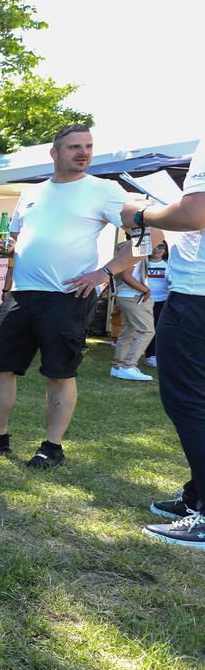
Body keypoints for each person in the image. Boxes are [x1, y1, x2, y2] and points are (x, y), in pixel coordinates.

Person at [0, 124, 128, 468]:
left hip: (68, 296)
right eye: (74, 147)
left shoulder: (104, 190)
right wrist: (9, 247)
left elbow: (145, 235)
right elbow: (19, 239)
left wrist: (104, 272)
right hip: (21, 295)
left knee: (59, 372)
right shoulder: (32, 192)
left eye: (88, 146)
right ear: (55, 153)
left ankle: (52, 447)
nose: (83, 152)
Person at [114, 139, 205, 547]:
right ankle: (196, 494)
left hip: (198, 295)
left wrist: (140, 213)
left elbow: (196, 212)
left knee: (188, 402)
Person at [110, 242, 155, 381]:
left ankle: (117, 367)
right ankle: (128, 366)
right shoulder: (137, 249)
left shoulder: (126, 248)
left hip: (126, 296)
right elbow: (126, 275)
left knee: (128, 332)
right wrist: (145, 289)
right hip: (134, 297)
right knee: (147, 331)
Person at [143, 240, 169, 367]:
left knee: (156, 329)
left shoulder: (169, 265)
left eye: (161, 246)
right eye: (154, 245)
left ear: (165, 249)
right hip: (143, 300)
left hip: (161, 301)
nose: (157, 249)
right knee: (143, 329)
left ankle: (152, 355)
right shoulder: (142, 263)